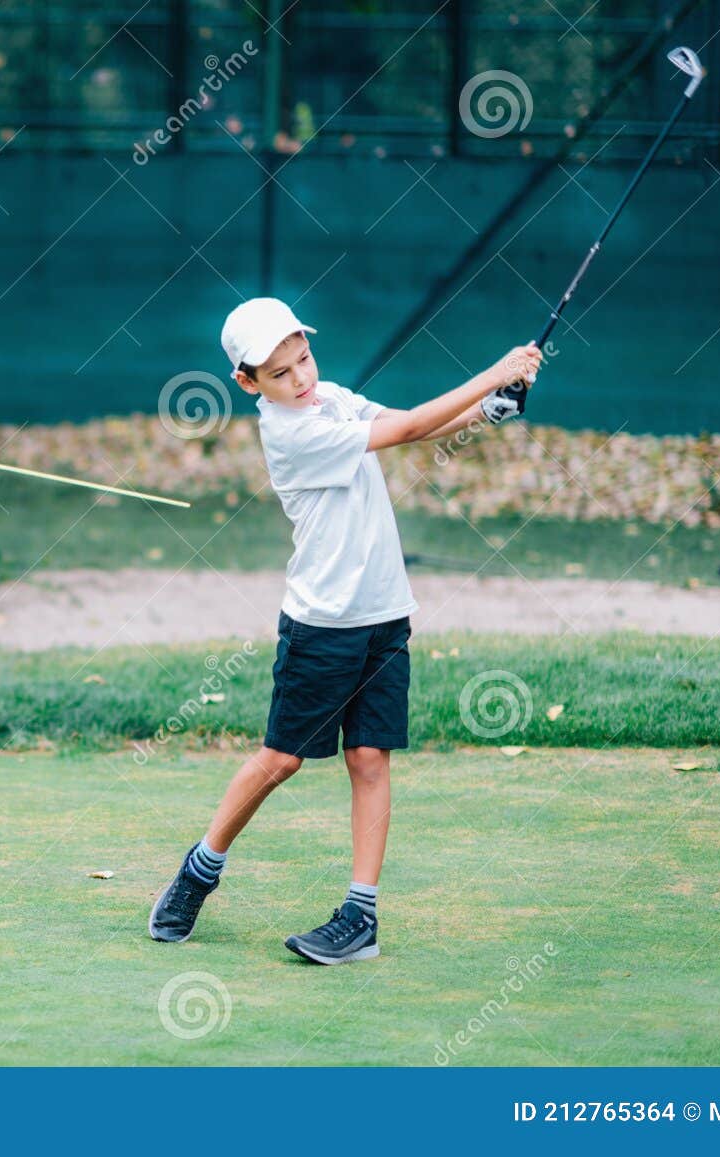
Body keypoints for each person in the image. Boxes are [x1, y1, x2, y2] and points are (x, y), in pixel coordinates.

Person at [148, 297, 541, 962]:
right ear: (250, 384)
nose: (300, 377)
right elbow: (412, 422)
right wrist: (491, 371)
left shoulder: (327, 398)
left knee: (368, 759)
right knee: (281, 759)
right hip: (322, 624)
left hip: (385, 614)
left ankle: (360, 917)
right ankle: (200, 869)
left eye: (302, 358)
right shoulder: (292, 434)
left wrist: (486, 410)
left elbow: (407, 428)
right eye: (280, 372)